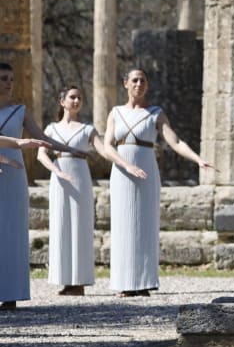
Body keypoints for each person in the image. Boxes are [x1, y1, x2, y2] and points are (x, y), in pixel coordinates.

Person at [105, 68, 213, 297]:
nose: (139, 84)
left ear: (148, 85)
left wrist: (198, 159)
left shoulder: (155, 113)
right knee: (123, 225)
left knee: (145, 225)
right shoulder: (115, 112)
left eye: (143, 81)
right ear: (125, 83)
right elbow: (107, 146)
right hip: (122, 173)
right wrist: (126, 165)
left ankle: (143, 282)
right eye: (134, 80)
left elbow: (175, 141)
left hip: (146, 171)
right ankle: (124, 283)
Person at [37, 86, 147, 295]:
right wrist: (56, 171)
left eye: (79, 97)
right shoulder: (51, 128)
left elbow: (104, 150)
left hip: (80, 178)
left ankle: (79, 282)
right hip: (59, 178)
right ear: (62, 102)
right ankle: (65, 280)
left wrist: (125, 163)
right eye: (72, 97)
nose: (76, 101)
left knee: (80, 227)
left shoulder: (87, 128)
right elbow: (41, 154)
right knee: (61, 226)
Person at [0, 62, 81, 309]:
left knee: (12, 231)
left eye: (11, 79)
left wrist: (68, 149)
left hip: (14, 177)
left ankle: (11, 292)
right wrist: (18, 144)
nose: (8, 83)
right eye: (3, 78)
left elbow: (42, 138)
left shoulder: (20, 111)